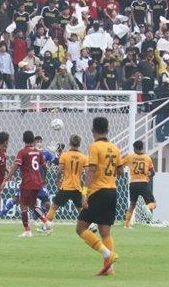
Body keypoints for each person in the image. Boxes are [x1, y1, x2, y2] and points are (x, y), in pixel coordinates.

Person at [75, 117, 122, 276]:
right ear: (107, 130)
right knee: (105, 232)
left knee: (81, 228)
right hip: (112, 191)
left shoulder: (94, 147)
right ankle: (109, 269)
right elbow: (120, 172)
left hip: (98, 191)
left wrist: (84, 191)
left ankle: (107, 254)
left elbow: (91, 170)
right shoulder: (115, 148)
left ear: (93, 129)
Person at [3, 130, 51, 237]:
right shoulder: (38, 152)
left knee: (23, 206)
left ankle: (27, 230)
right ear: (33, 140)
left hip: (27, 183)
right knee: (32, 205)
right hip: (37, 183)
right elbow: (45, 167)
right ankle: (46, 222)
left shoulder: (22, 152)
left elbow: (15, 167)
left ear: (23, 140)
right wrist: (43, 179)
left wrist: (7, 178)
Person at [46, 134, 86, 224]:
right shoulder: (83, 157)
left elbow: (59, 171)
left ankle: (46, 226)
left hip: (66, 187)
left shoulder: (64, 155)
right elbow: (87, 173)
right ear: (79, 144)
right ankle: (91, 226)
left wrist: (57, 182)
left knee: (54, 206)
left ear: (69, 143)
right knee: (81, 209)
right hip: (77, 187)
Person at [122, 140, 156, 228]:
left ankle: (126, 225)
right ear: (142, 147)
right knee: (153, 203)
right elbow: (153, 172)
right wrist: (148, 177)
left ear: (134, 148)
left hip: (133, 184)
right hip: (143, 183)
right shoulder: (147, 158)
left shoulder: (130, 157)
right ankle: (147, 208)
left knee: (132, 204)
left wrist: (121, 172)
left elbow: (120, 163)